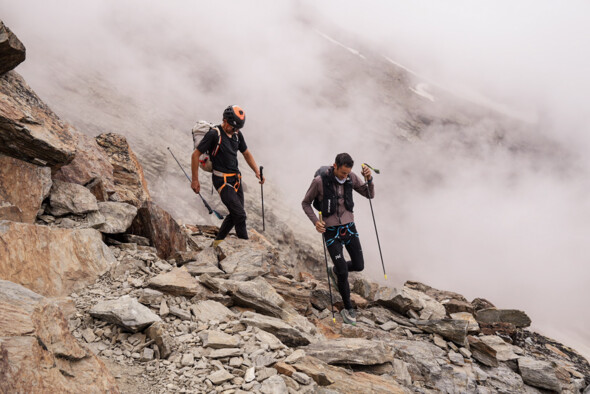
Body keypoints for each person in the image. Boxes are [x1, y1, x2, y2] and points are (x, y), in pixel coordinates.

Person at [301, 153, 374, 325]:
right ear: (335, 166)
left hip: (349, 227)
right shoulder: (319, 182)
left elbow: (369, 195)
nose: (345, 176)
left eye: (347, 173)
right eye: (342, 173)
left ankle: (334, 271)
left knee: (359, 265)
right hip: (331, 231)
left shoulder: (352, 178)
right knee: (343, 271)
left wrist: (369, 180)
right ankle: (348, 308)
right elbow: (305, 203)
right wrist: (316, 223)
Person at [191, 105, 264, 245]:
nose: (235, 130)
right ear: (224, 121)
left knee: (236, 214)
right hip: (221, 180)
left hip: (236, 179)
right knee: (240, 215)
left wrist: (257, 171)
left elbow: (246, 153)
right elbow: (195, 155)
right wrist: (195, 180)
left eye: (238, 128)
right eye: (233, 127)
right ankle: (245, 247)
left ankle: (217, 243)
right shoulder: (214, 134)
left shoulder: (237, 134)